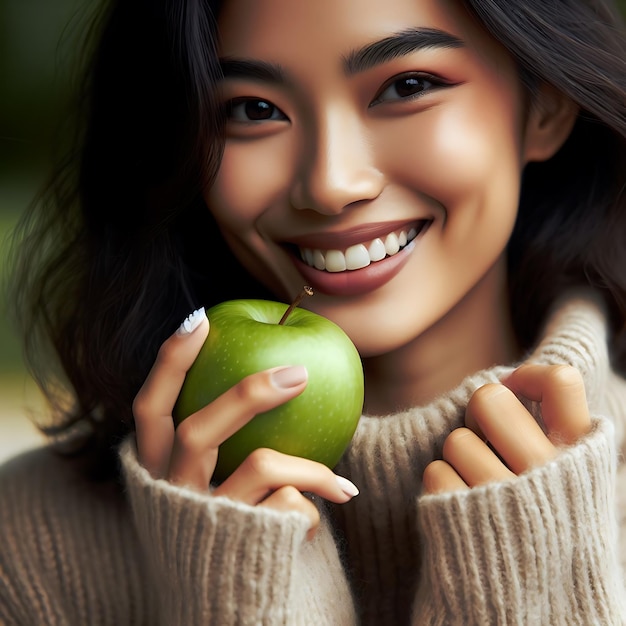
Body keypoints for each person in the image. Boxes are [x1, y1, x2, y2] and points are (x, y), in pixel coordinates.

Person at [2, 0, 625, 623]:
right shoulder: (29, 543)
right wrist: (231, 590)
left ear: (545, 105)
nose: (329, 184)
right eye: (252, 109)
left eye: (407, 87)